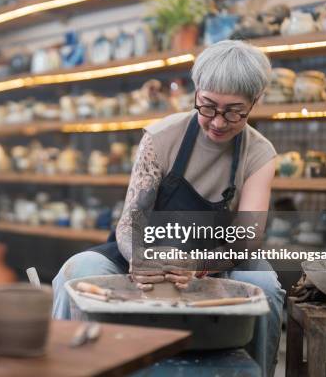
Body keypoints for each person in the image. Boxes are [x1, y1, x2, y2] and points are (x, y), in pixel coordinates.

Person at [52, 40, 285, 377]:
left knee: (263, 284)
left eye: (234, 111)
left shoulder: (260, 154)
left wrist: (200, 266)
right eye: (207, 106)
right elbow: (129, 222)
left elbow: (247, 238)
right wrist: (139, 259)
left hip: (213, 259)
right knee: (77, 270)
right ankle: (67, 368)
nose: (218, 122)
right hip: (145, 253)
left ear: (256, 101)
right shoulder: (161, 137)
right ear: (196, 92)